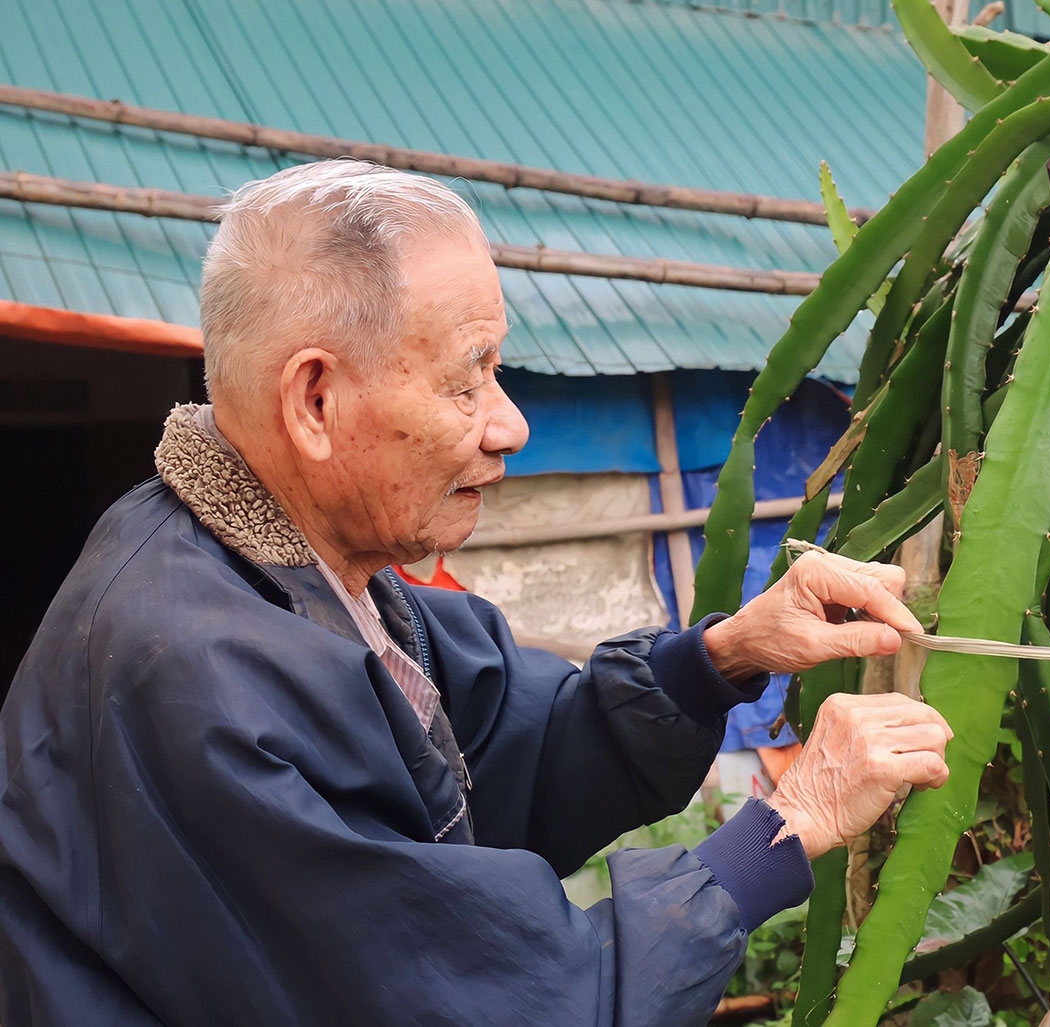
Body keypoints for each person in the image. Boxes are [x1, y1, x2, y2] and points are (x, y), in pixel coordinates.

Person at [0, 161, 953, 1027]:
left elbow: (510, 756)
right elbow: (489, 999)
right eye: (471, 379)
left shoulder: (313, 577)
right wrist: (789, 824)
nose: (512, 426)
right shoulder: (194, 675)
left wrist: (723, 656)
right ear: (316, 401)